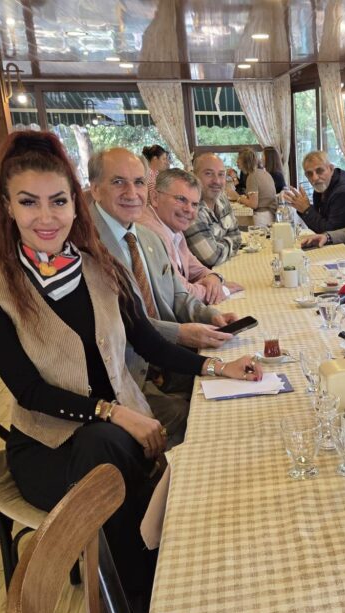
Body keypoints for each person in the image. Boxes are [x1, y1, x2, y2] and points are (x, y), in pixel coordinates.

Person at [0, 131, 261, 613]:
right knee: (106, 450)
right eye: (29, 202)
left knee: (119, 451)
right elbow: (29, 391)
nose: (46, 217)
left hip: (117, 439)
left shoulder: (101, 269)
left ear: (75, 204)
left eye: (58, 201)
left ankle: (154, 588)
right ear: (7, 207)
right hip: (49, 449)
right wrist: (116, 414)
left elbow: (148, 342)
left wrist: (217, 366)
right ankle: (138, 607)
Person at [89, 148, 239, 442]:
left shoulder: (145, 236)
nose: (132, 193)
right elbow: (122, 326)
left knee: (233, 382)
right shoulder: (86, 245)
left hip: (163, 359)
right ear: (95, 189)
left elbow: (178, 294)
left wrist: (211, 316)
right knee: (196, 416)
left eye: (138, 182)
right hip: (123, 378)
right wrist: (182, 333)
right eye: (118, 182)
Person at [140, 168, 243, 304]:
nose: (189, 209)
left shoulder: (173, 228)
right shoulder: (150, 233)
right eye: (181, 199)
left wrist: (214, 277)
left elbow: (196, 268)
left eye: (194, 204)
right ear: (155, 198)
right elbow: (179, 293)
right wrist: (223, 291)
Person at [281, 150, 345, 232]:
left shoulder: (344, 193)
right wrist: (305, 207)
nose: (315, 178)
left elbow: (330, 233)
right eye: (309, 174)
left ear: (331, 169)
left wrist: (306, 210)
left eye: (319, 171)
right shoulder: (321, 188)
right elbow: (321, 222)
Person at [185, 153, 243, 267]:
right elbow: (213, 258)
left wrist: (219, 246)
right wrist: (231, 242)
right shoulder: (191, 209)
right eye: (208, 173)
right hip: (206, 276)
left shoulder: (222, 198)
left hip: (227, 269)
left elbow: (237, 236)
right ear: (194, 176)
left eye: (221, 174)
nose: (216, 181)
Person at [229, 147, 277, 226]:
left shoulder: (252, 176)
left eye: (239, 159)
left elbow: (253, 204)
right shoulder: (265, 173)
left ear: (245, 161)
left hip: (262, 216)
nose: (237, 162)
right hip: (272, 214)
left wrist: (237, 197)